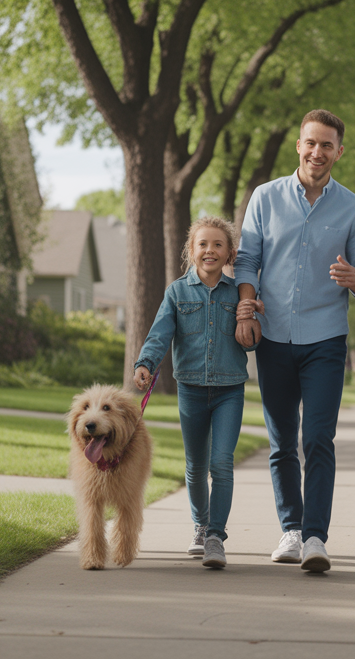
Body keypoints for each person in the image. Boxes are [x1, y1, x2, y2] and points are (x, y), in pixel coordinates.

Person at [233, 109, 355, 573]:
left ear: (340, 151)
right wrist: (246, 305)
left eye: (327, 145)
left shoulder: (354, 208)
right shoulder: (265, 197)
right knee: (281, 442)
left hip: (325, 339)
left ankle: (316, 537)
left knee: (317, 437)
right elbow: (245, 260)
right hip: (273, 336)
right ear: (299, 145)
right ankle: (291, 530)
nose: (317, 152)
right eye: (310, 143)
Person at [134, 216, 254, 570]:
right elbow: (160, 332)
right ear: (191, 250)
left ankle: (216, 535)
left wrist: (252, 323)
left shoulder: (239, 294)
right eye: (203, 244)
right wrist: (146, 363)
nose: (210, 251)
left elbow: (253, 339)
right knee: (195, 466)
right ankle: (200, 526)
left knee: (222, 462)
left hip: (229, 389)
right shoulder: (177, 292)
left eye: (218, 245)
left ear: (230, 253)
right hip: (190, 388)